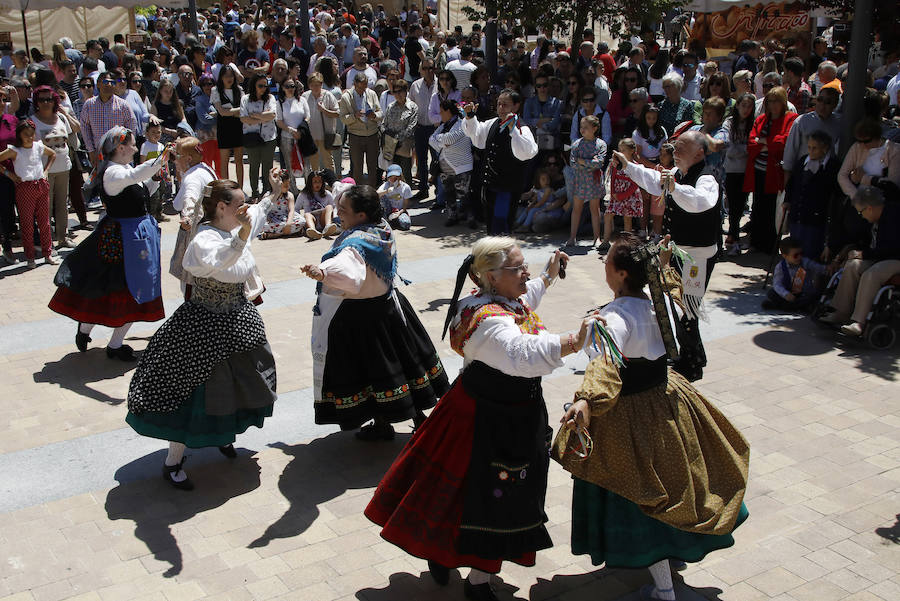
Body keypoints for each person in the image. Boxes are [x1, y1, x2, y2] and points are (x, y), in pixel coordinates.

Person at [365, 238, 591, 601]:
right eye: (517, 268)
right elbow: (521, 353)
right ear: (490, 276)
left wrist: (548, 277)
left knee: (473, 494)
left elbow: (523, 300)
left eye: (524, 265)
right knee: (485, 496)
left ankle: (449, 555)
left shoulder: (490, 301)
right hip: (488, 420)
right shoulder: (487, 322)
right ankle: (476, 581)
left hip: (502, 412)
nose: (525, 273)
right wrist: (573, 340)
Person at [557, 233, 749, 601]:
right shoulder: (661, 304)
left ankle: (664, 591)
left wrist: (586, 400)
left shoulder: (615, 317)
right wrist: (662, 266)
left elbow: (607, 362)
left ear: (621, 274)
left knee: (645, 496)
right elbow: (678, 288)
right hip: (667, 399)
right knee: (677, 480)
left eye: (608, 261)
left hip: (629, 413)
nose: (605, 266)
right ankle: (673, 564)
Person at [126, 172, 280, 490]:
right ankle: (173, 461)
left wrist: (275, 192)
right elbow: (216, 264)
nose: (245, 209)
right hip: (203, 326)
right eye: (240, 204)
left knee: (237, 386)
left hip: (239, 322)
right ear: (222, 207)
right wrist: (243, 236)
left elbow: (258, 212)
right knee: (194, 393)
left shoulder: (236, 224)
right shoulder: (203, 240)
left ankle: (222, 435)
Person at [300, 185, 449, 440]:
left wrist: (323, 272)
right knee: (400, 365)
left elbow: (348, 269)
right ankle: (415, 419)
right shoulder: (382, 228)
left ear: (361, 215)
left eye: (343, 210)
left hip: (362, 319)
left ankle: (383, 424)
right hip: (389, 308)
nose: (338, 214)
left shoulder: (354, 244)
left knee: (371, 374)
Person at [49, 127, 170, 360]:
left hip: (136, 240)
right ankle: (87, 331)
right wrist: (160, 159)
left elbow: (142, 191)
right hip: (120, 242)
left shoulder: (124, 169)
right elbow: (135, 178)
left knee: (127, 291)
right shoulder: (113, 173)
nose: (135, 148)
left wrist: (155, 177)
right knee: (115, 290)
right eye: (133, 144)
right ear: (121, 148)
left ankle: (113, 344)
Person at [611, 130, 720, 381]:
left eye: (682, 148)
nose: (675, 152)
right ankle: (692, 355)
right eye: (675, 147)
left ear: (700, 153)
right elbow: (653, 179)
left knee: (688, 308)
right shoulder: (677, 174)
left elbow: (700, 202)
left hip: (697, 257)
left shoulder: (707, 178)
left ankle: (692, 364)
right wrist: (628, 166)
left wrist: (675, 187)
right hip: (679, 252)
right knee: (677, 303)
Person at [819, 186, 900, 337]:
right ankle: (840, 312)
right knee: (852, 265)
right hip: (880, 257)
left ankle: (859, 322)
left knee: (872, 273)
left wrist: (864, 253)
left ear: (869, 208)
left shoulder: (894, 215)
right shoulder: (873, 219)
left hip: (895, 258)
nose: (860, 216)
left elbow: (891, 248)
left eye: (860, 212)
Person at [462, 89, 538, 233]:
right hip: (490, 186)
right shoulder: (492, 123)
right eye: (499, 104)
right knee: (491, 226)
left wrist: (513, 130)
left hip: (507, 188)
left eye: (505, 105)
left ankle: (504, 254)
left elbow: (526, 153)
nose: (501, 108)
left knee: (501, 227)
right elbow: (477, 138)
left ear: (516, 107)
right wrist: (470, 117)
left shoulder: (522, 128)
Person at [744, 87, 798, 253]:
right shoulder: (761, 119)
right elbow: (751, 143)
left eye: (777, 101)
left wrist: (764, 142)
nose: (773, 105)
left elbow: (784, 142)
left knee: (773, 208)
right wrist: (769, 144)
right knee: (759, 206)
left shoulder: (791, 119)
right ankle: (756, 242)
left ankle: (770, 245)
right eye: (770, 101)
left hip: (776, 173)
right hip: (759, 170)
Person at [0, 119, 57, 269]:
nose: (30, 138)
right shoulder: (14, 150)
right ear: (19, 135)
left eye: (32, 135)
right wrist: (9, 174)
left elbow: (53, 154)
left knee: (44, 223)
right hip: (24, 187)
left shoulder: (38, 146)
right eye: (26, 135)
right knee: (27, 225)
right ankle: (30, 257)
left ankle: (47, 253)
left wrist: (46, 171)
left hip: (40, 184)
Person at [168, 136, 219, 297]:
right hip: (212, 229)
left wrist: (188, 217)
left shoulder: (192, 178)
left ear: (188, 158)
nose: (174, 161)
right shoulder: (205, 169)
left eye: (177, 156)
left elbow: (189, 199)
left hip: (196, 232)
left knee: (190, 282)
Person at [31, 86, 80, 251]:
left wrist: (65, 113)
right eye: (42, 99)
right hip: (44, 170)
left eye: (49, 99)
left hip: (64, 167)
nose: (46, 103)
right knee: (45, 206)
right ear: (36, 102)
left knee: (62, 204)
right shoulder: (33, 121)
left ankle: (63, 237)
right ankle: (47, 241)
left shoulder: (60, 118)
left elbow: (74, 130)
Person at [784, 130, 840, 259]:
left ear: (825, 148)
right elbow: (792, 184)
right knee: (795, 251)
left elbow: (835, 192)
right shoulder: (803, 161)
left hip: (815, 218)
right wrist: (788, 200)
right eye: (809, 147)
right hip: (797, 214)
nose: (811, 151)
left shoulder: (832, 166)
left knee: (811, 251)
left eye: (815, 148)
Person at [782, 88, 842, 185]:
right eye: (820, 100)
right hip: (803, 175)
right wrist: (787, 183)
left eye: (828, 102)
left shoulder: (839, 124)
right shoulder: (802, 121)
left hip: (826, 178)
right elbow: (790, 153)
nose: (822, 105)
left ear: (835, 105)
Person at [429, 97, 474, 227]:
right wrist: (443, 142)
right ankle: (453, 216)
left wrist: (441, 141)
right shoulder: (443, 126)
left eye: (441, 111)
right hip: (445, 167)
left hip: (461, 165)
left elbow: (451, 138)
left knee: (464, 194)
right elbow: (431, 140)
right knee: (449, 195)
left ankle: (470, 218)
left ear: (448, 111)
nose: (440, 114)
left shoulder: (462, 123)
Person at [79, 72, 138, 166]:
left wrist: (127, 148)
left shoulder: (123, 105)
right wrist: (91, 151)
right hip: (99, 154)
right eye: (106, 82)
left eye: (112, 82)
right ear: (98, 84)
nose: (109, 85)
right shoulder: (89, 105)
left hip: (120, 154)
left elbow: (131, 127)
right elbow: (85, 128)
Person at [722, 93, 756, 256]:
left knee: (740, 205)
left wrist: (744, 150)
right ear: (737, 105)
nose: (746, 109)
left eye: (749, 106)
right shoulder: (729, 123)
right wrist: (745, 150)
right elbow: (730, 149)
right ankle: (733, 236)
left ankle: (733, 235)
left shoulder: (753, 124)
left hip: (746, 171)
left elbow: (753, 147)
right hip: (730, 170)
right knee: (732, 204)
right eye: (743, 105)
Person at [566, 115, 607, 248]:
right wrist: (590, 162)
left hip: (593, 181)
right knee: (576, 209)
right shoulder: (577, 144)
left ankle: (597, 238)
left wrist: (583, 161)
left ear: (594, 128)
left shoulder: (601, 144)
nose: (582, 130)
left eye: (586, 127)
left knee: (594, 209)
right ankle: (572, 237)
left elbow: (599, 163)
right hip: (580, 181)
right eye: (581, 127)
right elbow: (573, 163)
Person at [339, 72, 383, 187]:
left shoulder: (371, 94)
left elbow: (380, 113)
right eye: (360, 87)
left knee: (372, 166)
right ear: (354, 84)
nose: (363, 89)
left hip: (372, 134)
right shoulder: (346, 97)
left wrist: (374, 116)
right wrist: (355, 116)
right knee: (357, 167)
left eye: (365, 86)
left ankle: (372, 192)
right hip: (355, 136)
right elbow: (343, 118)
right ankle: (358, 192)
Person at [762, 236, 827, 312]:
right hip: (790, 293)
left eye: (801, 254)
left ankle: (786, 307)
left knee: (815, 295)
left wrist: (827, 268)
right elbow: (777, 284)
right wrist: (786, 294)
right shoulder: (780, 267)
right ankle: (798, 307)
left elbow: (818, 268)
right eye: (795, 255)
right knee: (772, 293)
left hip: (804, 293)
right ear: (785, 256)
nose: (799, 257)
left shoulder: (805, 262)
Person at [240, 73, 279, 200]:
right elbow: (244, 118)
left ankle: (266, 191)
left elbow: (272, 115)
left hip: (269, 138)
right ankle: (255, 192)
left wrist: (255, 116)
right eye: (260, 86)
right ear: (254, 85)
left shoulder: (270, 98)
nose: (263, 88)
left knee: (267, 166)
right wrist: (263, 117)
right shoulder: (245, 99)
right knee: (254, 166)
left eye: (265, 86)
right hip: (252, 138)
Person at [602, 138, 643, 249]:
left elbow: (635, 184)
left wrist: (623, 195)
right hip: (616, 194)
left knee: (627, 218)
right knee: (608, 215)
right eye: (620, 150)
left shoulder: (635, 166)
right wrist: (614, 193)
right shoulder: (616, 164)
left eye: (623, 150)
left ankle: (626, 243)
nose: (621, 152)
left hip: (629, 195)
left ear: (631, 151)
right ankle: (605, 241)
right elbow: (613, 178)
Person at [211, 64, 245, 185]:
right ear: (221, 77)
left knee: (239, 160)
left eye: (231, 76)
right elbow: (222, 112)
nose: (229, 78)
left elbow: (244, 109)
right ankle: (226, 188)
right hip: (224, 128)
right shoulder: (215, 90)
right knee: (224, 161)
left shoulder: (239, 90)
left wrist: (231, 112)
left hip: (237, 127)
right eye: (226, 76)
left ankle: (240, 187)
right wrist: (236, 111)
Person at [410, 58, 439, 200]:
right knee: (421, 160)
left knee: (437, 160)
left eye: (431, 68)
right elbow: (411, 107)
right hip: (420, 128)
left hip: (436, 129)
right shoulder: (415, 86)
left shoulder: (441, 84)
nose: (428, 71)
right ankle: (423, 189)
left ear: (435, 68)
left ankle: (439, 191)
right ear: (421, 70)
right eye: (425, 68)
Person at [380, 78, 418, 184]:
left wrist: (397, 139)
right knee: (392, 172)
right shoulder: (390, 107)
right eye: (395, 92)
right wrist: (388, 137)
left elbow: (411, 127)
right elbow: (383, 124)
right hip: (390, 145)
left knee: (405, 172)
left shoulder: (412, 107)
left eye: (400, 91)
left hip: (404, 145)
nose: (397, 94)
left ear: (406, 91)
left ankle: (406, 196)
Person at [302, 72, 340, 172]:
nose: (315, 88)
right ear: (309, 85)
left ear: (321, 84)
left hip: (325, 135)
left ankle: (331, 183)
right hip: (311, 136)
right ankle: (315, 183)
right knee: (313, 162)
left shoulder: (328, 95)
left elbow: (337, 113)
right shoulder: (305, 96)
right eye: (312, 85)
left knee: (328, 161)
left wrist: (324, 110)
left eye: (317, 85)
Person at [259, 169, 307, 239]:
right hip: (273, 219)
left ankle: (276, 234)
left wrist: (289, 223)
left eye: (289, 184)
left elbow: (291, 210)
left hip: (285, 217)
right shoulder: (268, 196)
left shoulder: (289, 195)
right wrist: (267, 218)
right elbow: (263, 211)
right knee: (262, 225)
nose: (288, 187)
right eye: (285, 185)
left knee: (302, 221)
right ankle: (288, 232)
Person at [298, 170, 338, 240]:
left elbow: (334, 208)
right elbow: (296, 209)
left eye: (319, 182)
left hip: (323, 220)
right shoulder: (303, 194)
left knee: (329, 207)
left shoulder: (327, 194)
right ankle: (313, 231)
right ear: (310, 183)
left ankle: (328, 227)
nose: (318, 184)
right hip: (311, 220)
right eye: (315, 182)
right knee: (307, 214)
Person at [377, 163, 413, 231]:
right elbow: (376, 194)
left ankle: (394, 221)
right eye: (391, 178)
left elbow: (405, 205)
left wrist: (399, 213)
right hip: (387, 210)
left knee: (406, 224)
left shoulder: (405, 187)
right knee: (381, 196)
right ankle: (386, 219)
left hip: (399, 211)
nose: (393, 180)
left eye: (395, 178)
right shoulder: (386, 185)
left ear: (400, 177)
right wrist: (386, 191)